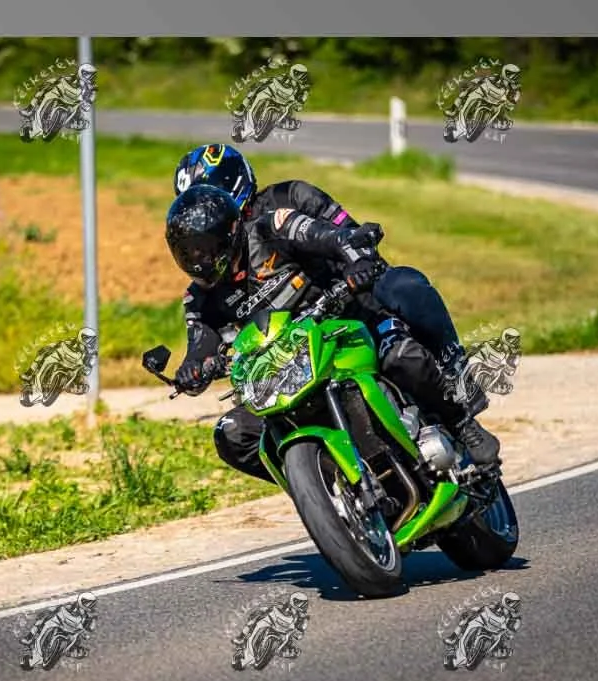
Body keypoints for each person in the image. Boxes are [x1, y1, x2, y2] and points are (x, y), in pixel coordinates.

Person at [164, 184, 502, 486]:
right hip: (282, 372)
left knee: (403, 357)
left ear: (229, 231)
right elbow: (200, 346)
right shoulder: (197, 298)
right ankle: (321, 484)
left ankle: (461, 423)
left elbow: (333, 238)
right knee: (233, 434)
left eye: (203, 248)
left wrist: (357, 261)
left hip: (346, 326)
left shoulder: (273, 227)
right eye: (187, 253)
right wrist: (192, 370)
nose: (198, 260)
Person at [171, 144, 470, 383]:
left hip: (350, 295)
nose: (202, 211)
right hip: (289, 346)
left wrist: (357, 265)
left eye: (208, 196)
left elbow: (349, 236)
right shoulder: (216, 267)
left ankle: (454, 367)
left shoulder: (291, 197)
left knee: (402, 284)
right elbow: (208, 333)